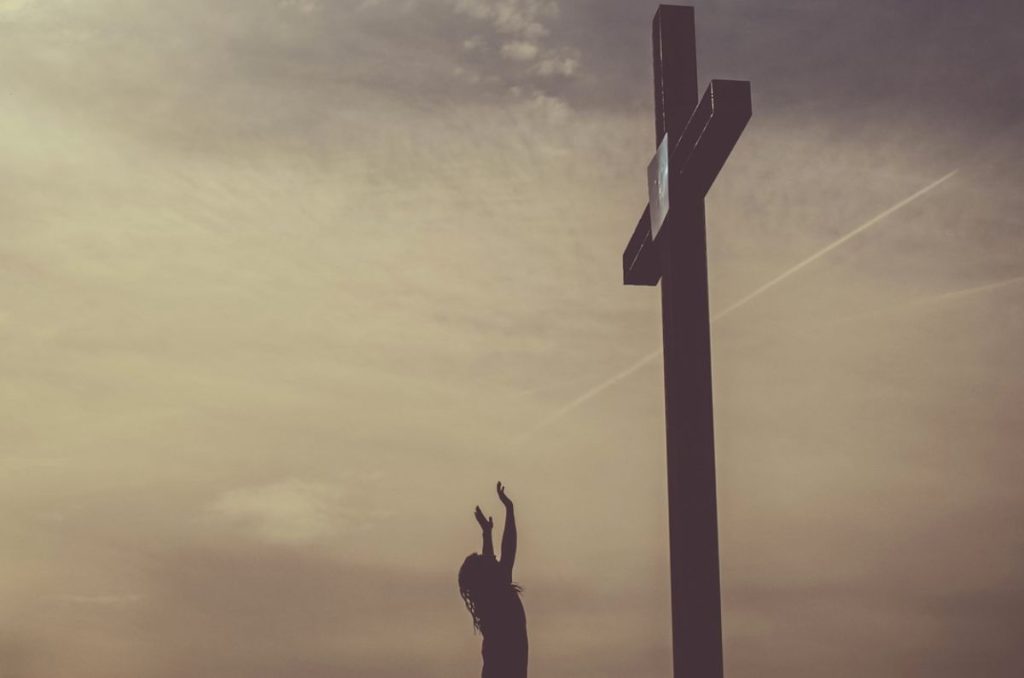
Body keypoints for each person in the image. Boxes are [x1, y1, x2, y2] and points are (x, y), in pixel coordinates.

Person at [458, 482, 528, 678]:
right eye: (483, 559)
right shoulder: (499, 597)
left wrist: (487, 532)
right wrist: (509, 509)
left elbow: (491, 561)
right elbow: (508, 548)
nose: (489, 557)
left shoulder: (491, 601)